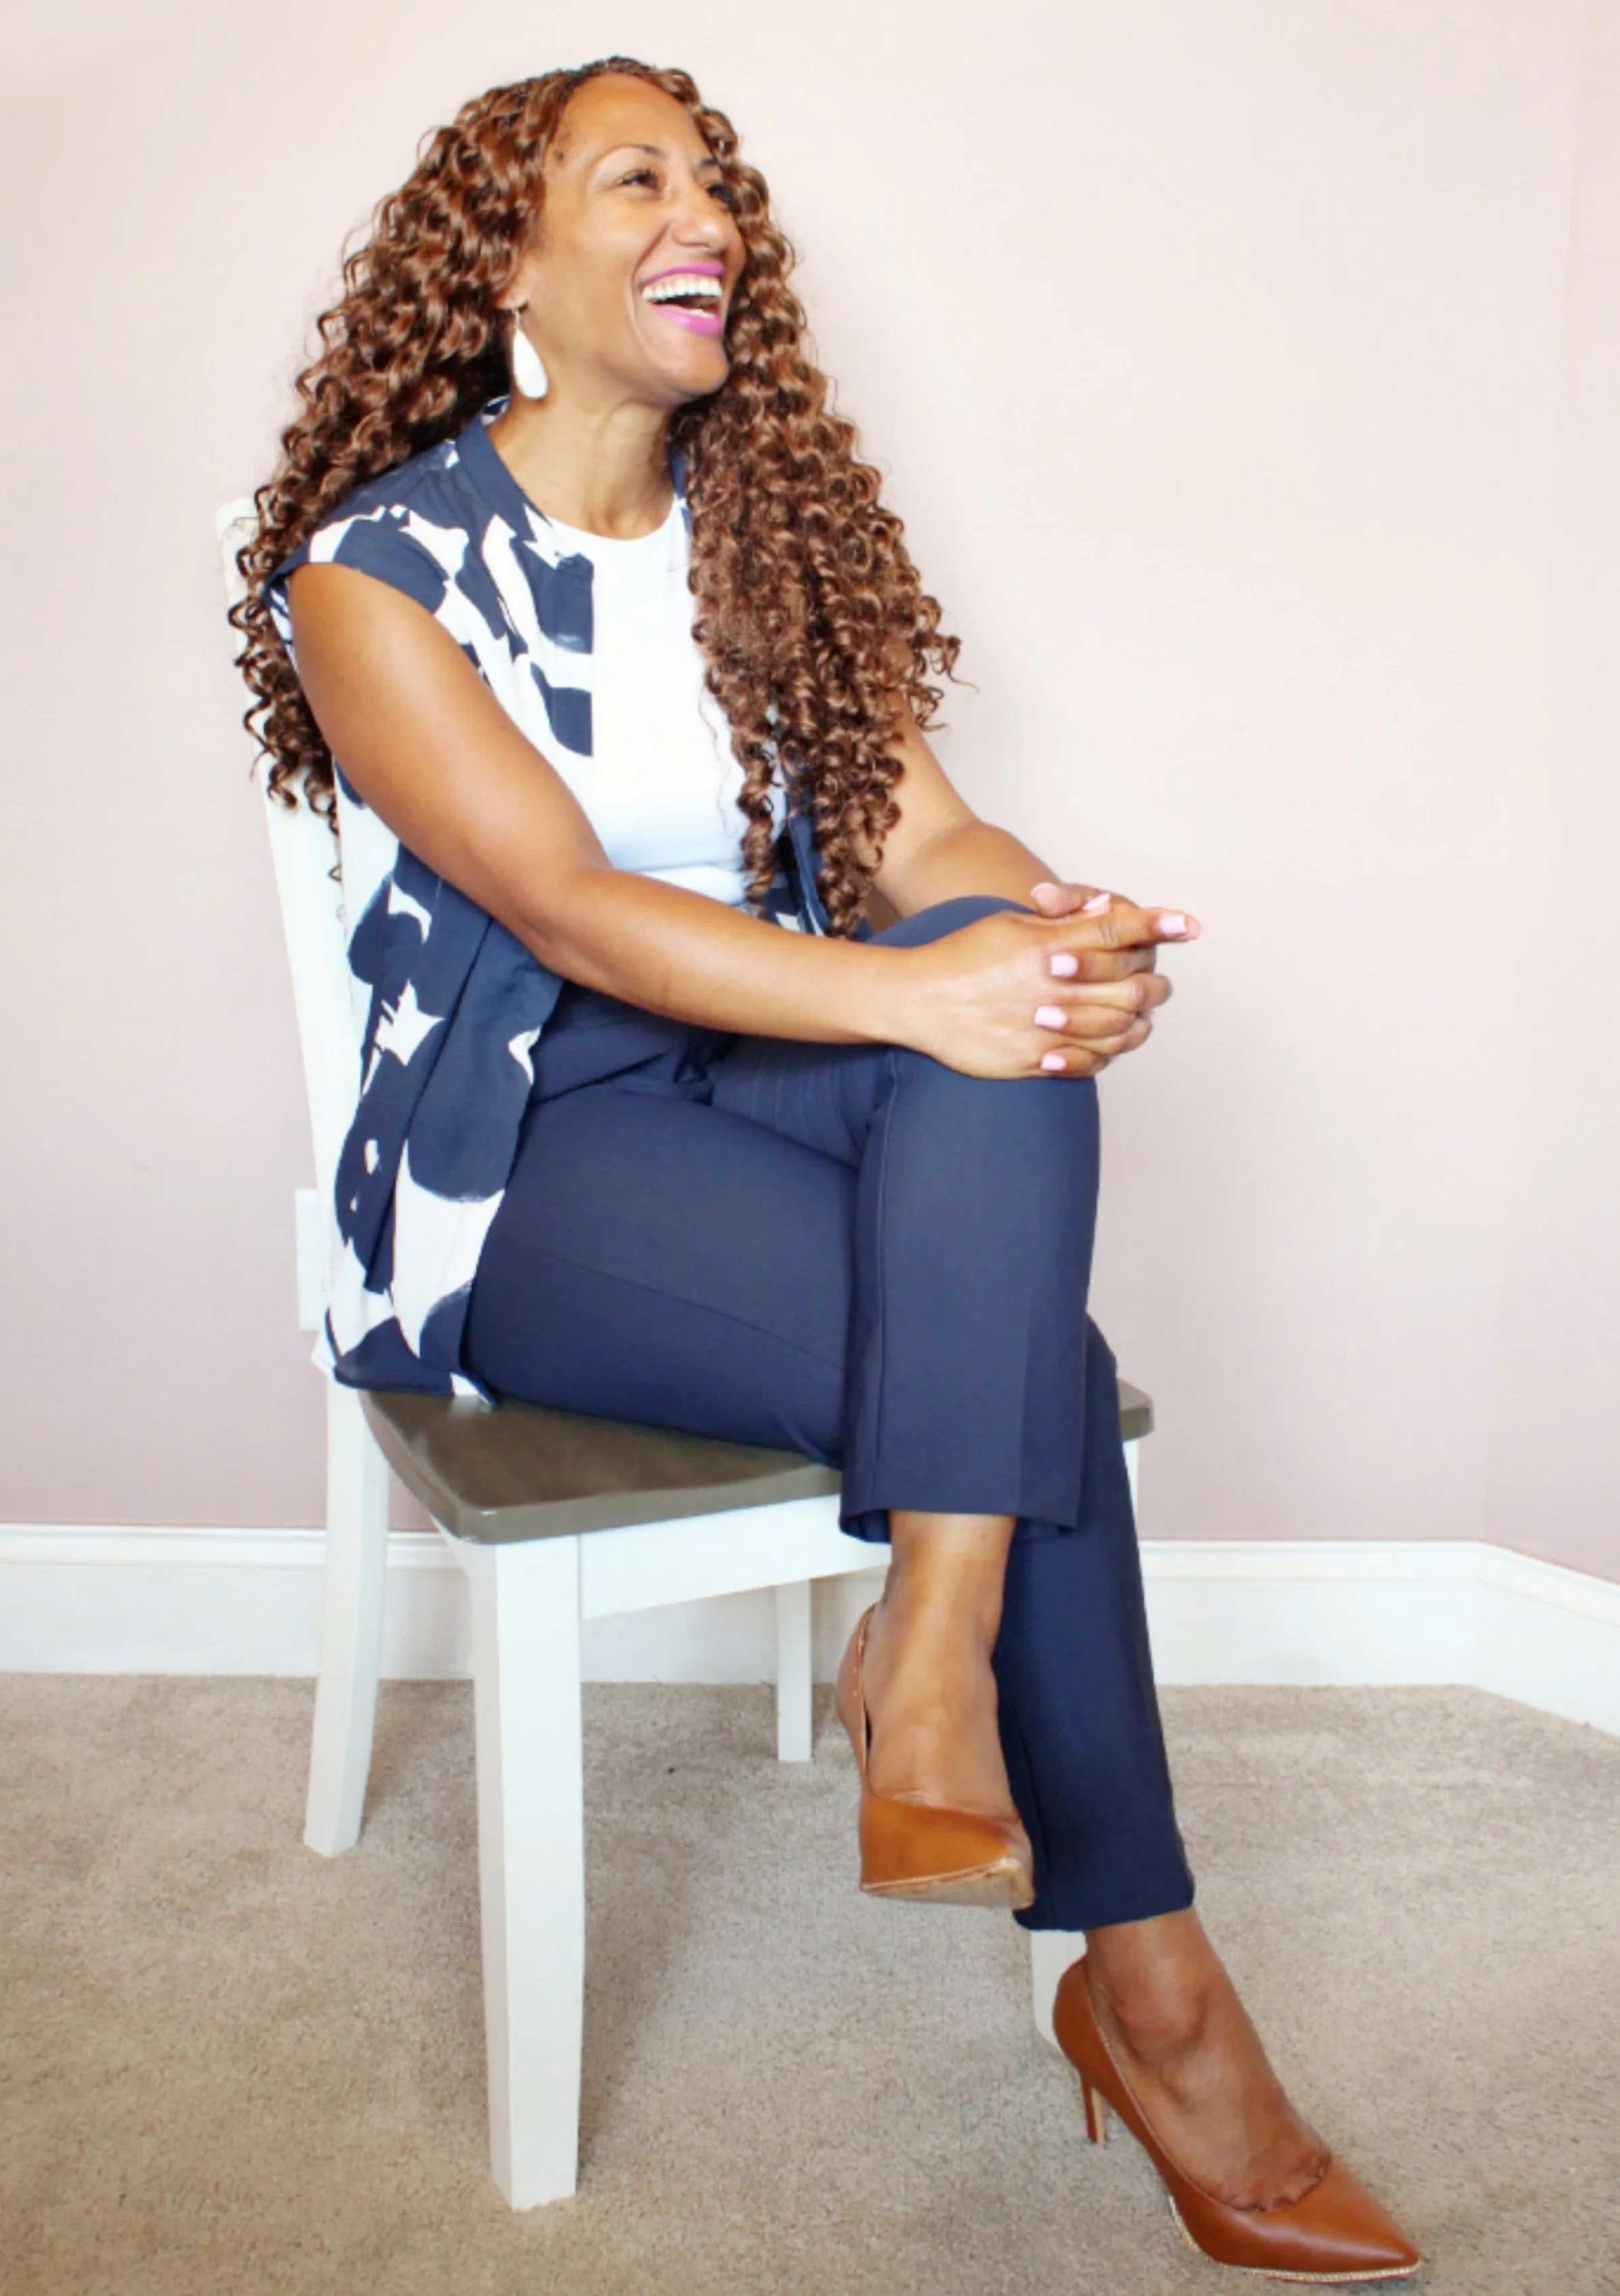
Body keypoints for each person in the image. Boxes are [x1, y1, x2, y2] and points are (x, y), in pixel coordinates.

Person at [232, 55, 1419, 2283]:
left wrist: (1043, 938)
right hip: (523, 1151)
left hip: (766, 1070)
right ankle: (1156, 1996)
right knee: (1017, 1350)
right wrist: (928, 994)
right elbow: (569, 911)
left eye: (716, 184)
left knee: (996, 991)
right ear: (504, 265)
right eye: (636, 181)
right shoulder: (375, 573)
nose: (707, 219)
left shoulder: (760, 531)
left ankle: (929, 1639)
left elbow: (924, 841)